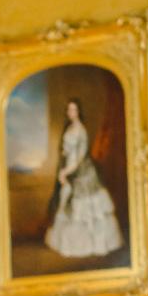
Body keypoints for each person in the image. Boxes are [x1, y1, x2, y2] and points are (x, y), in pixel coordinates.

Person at [45, 96, 124, 260]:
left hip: (81, 171)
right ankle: (70, 244)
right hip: (69, 167)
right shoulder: (70, 127)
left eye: (74, 109)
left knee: (87, 211)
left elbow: (80, 157)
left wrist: (66, 171)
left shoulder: (81, 130)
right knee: (67, 204)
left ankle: (92, 246)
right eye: (69, 109)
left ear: (79, 111)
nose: (71, 112)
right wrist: (64, 167)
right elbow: (66, 151)